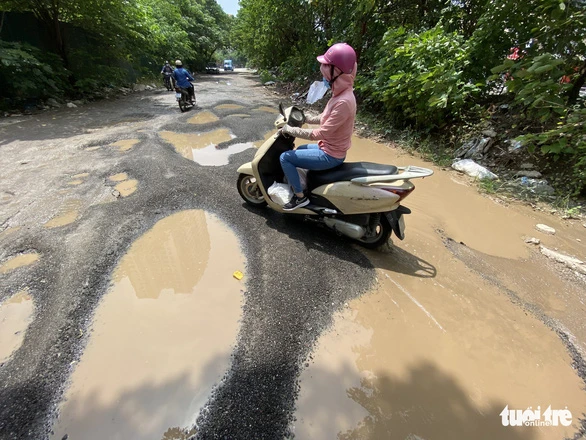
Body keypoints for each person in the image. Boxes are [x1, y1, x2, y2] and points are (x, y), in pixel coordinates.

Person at [279, 43, 357, 211]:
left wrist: (290, 130)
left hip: (330, 155)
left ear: (336, 72)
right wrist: (305, 118)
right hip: (329, 148)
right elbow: (325, 118)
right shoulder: (341, 94)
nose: (323, 76)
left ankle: (300, 198)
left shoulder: (343, 101)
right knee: (301, 148)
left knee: (286, 157)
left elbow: (321, 133)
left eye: (325, 71)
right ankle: (308, 184)